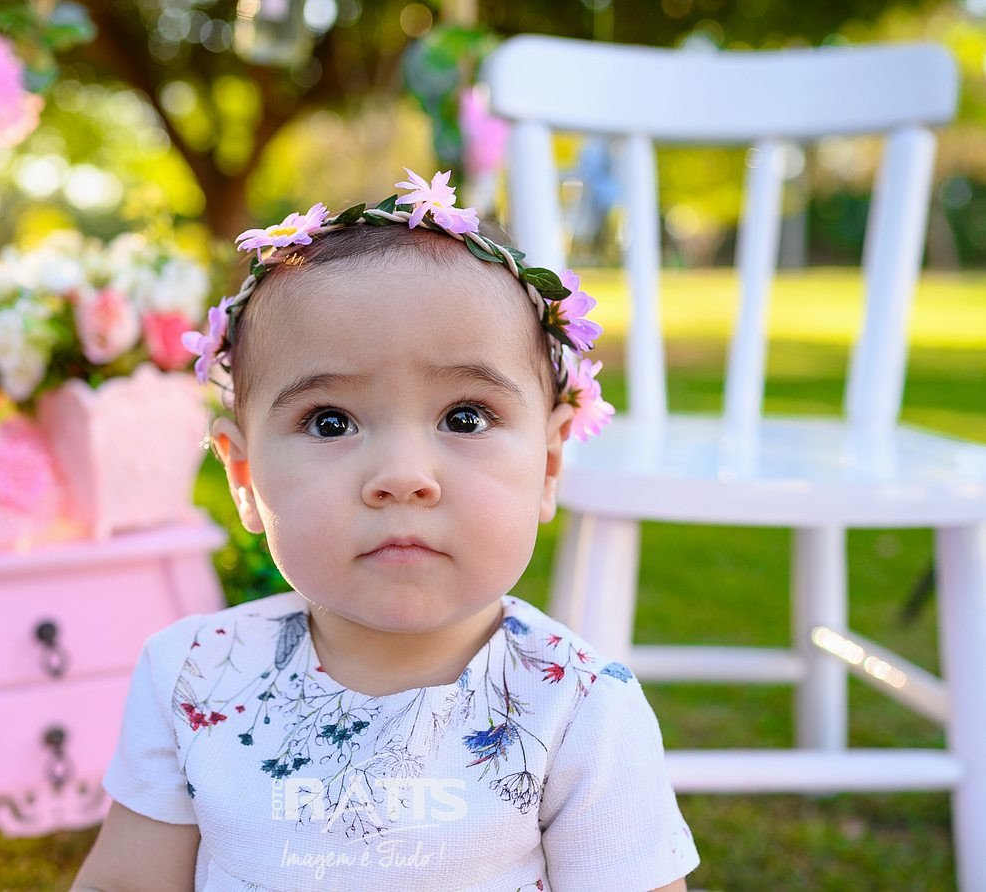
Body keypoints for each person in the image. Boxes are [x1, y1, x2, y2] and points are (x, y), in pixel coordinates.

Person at [73, 169, 699, 891]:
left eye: (465, 417)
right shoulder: (193, 675)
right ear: (243, 476)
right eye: (329, 422)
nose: (402, 476)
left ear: (549, 464)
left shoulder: (579, 707)